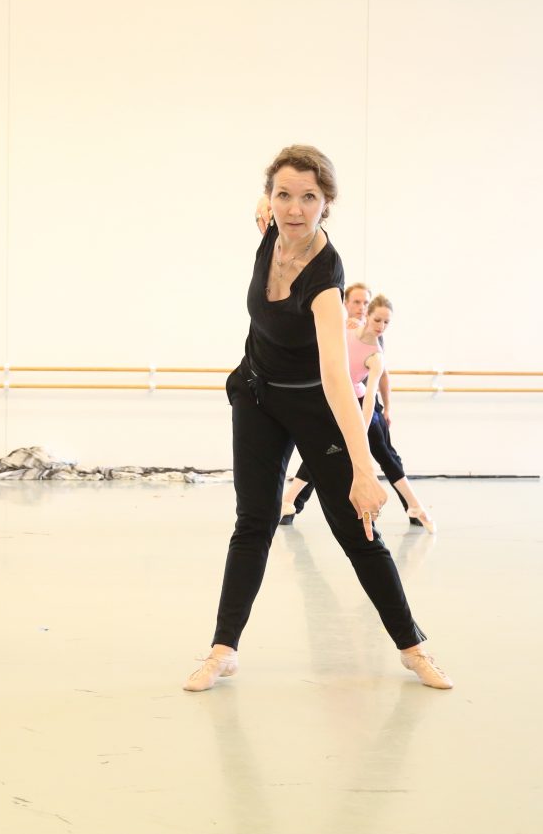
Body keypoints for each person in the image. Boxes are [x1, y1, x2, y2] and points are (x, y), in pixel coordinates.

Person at [184, 145, 451, 692]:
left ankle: (413, 647)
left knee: (357, 532)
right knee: (254, 521)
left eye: (309, 197)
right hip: (258, 396)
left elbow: (336, 378)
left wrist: (363, 469)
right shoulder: (269, 225)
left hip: (314, 404)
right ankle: (222, 649)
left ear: (327, 203)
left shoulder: (326, 283)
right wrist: (266, 200)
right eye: (284, 195)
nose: (294, 208)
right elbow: (261, 206)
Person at [281, 296, 436, 532]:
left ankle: (415, 506)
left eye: (386, 323)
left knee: (385, 456)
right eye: (377, 320)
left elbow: (370, 397)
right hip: (334, 399)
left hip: (360, 405)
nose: (381, 326)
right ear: (368, 315)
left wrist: (359, 432)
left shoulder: (376, 357)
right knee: (323, 450)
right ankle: (288, 502)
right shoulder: (349, 327)